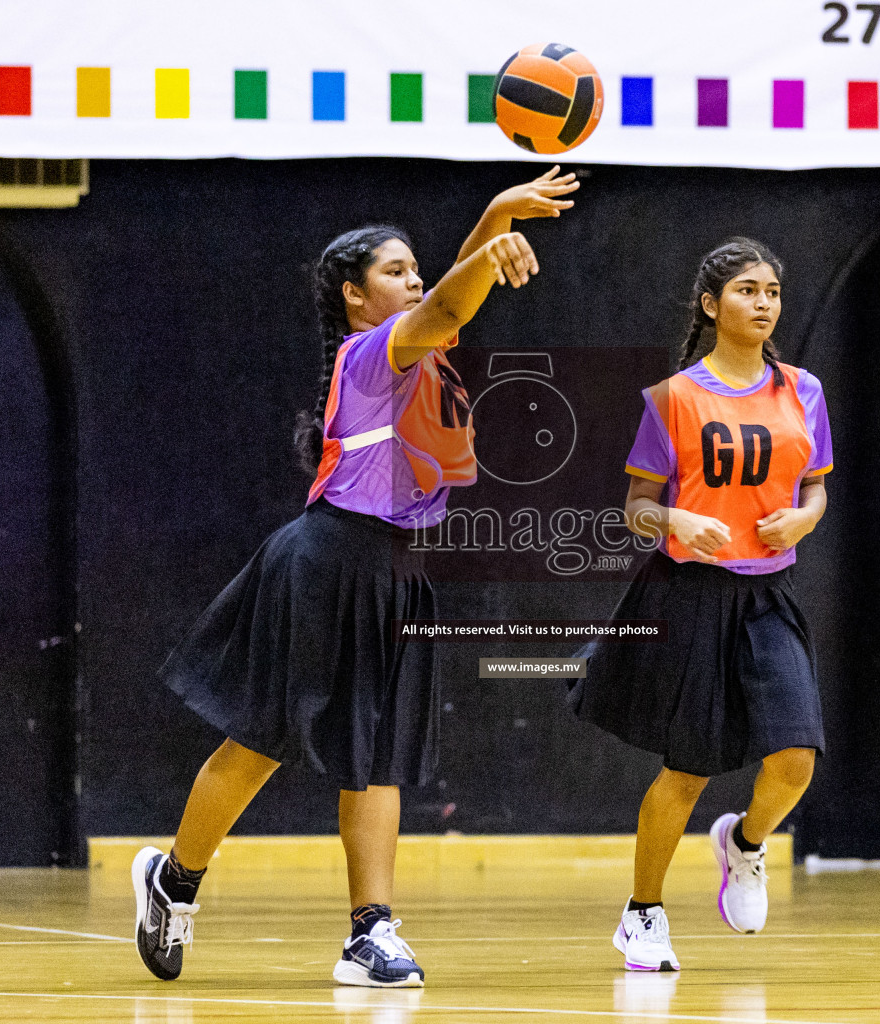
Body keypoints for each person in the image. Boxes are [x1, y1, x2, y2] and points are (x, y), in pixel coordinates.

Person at [133, 168, 579, 988]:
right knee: (260, 742)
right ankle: (175, 882)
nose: (412, 280)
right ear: (354, 296)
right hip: (326, 559)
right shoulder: (373, 353)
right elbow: (448, 302)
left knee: (377, 754)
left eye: (417, 268)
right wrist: (491, 230)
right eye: (394, 271)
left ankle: (368, 934)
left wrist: (496, 214)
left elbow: (447, 302)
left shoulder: (424, 354)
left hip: (397, 568)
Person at [568, 238, 831, 972]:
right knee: (686, 771)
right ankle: (642, 914)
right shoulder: (674, 398)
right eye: (748, 290)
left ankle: (745, 844)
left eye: (772, 291)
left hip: (767, 594)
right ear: (712, 304)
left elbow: (815, 484)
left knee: (796, 757)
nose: (764, 303)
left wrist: (807, 516)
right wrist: (677, 521)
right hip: (689, 595)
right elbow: (636, 508)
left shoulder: (803, 390)